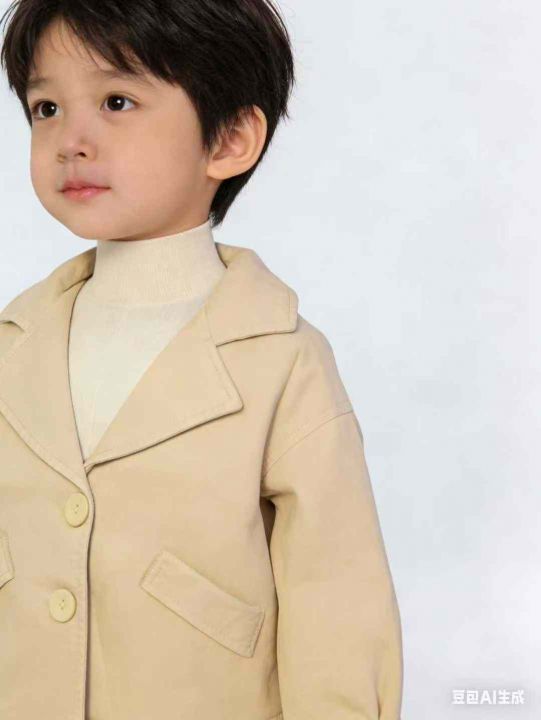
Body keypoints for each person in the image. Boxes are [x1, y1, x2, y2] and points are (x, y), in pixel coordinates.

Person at [0, 1, 403, 718]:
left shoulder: (282, 361)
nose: (70, 141)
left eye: (116, 101)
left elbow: (336, 597)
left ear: (230, 139)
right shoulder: (14, 344)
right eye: (46, 108)